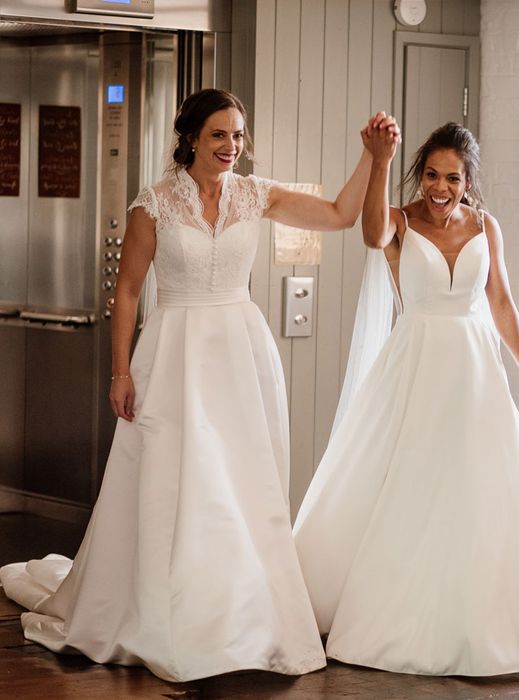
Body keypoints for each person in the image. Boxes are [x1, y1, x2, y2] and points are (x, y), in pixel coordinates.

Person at [0, 89, 399, 682]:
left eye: (238, 135)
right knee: (174, 482)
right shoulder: (154, 204)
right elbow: (128, 292)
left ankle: (236, 617)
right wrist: (119, 370)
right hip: (174, 355)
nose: (231, 147)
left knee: (240, 488)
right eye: (219, 135)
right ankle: (165, 614)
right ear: (189, 137)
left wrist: (375, 158)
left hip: (242, 355)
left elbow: (342, 215)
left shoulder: (255, 195)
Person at [293, 122, 519, 676]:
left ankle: (483, 617)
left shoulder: (486, 226)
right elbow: (369, 234)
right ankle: (391, 610)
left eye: (452, 178)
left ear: (468, 180)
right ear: (419, 174)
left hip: (477, 372)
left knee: (481, 485)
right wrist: (380, 161)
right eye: (431, 174)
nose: (439, 187)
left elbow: (500, 299)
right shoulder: (400, 222)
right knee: (410, 482)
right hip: (417, 365)